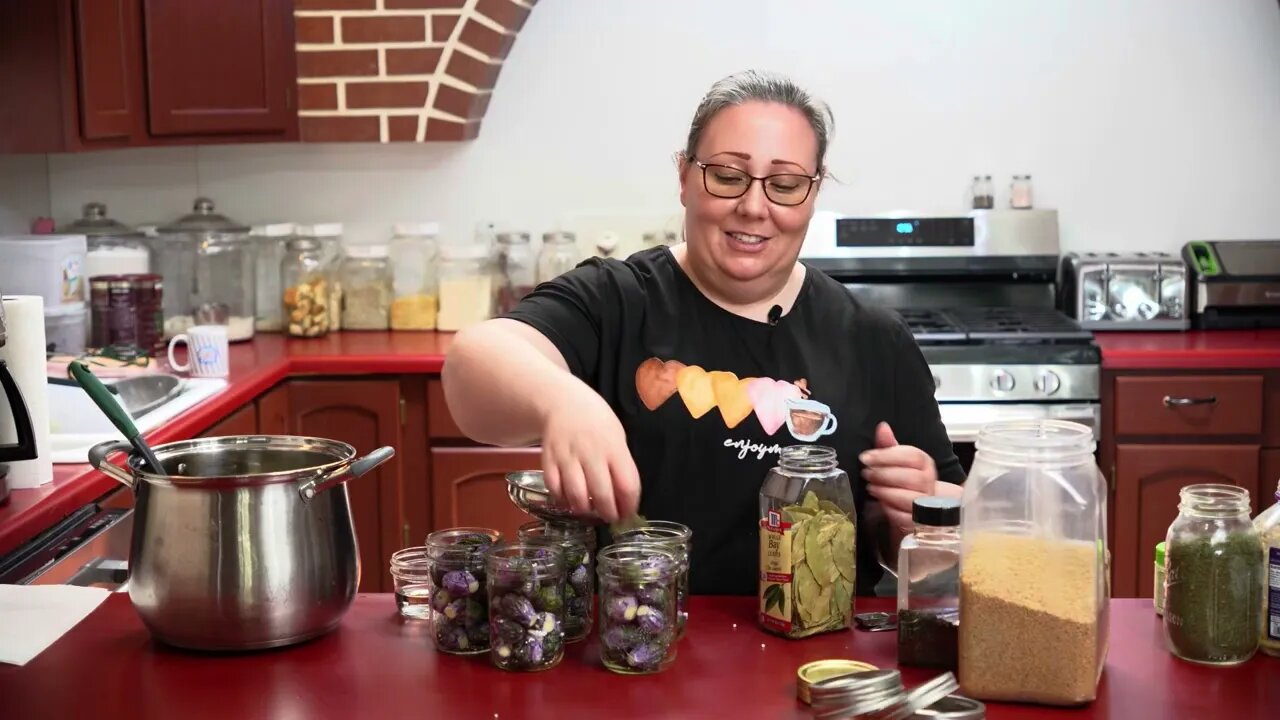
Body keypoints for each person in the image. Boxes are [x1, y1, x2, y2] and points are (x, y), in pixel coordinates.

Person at [442, 69, 965, 597]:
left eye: (784, 185)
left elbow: (950, 561)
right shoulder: (619, 299)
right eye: (728, 176)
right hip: (637, 649)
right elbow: (474, 361)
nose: (754, 208)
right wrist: (564, 402)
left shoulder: (872, 338)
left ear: (813, 192)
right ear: (685, 177)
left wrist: (917, 520)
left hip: (818, 660)